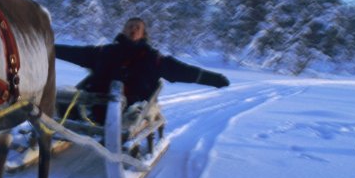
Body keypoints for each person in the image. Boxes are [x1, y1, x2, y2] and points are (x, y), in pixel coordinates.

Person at [55, 17, 229, 122]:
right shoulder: (104, 51)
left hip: (130, 106)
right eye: (130, 26)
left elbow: (182, 70)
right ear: (123, 30)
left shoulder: (153, 58)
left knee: (125, 109)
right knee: (58, 99)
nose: (133, 29)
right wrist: (48, 48)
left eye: (138, 27)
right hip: (95, 98)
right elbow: (75, 52)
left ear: (143, 34)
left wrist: (212, 78)